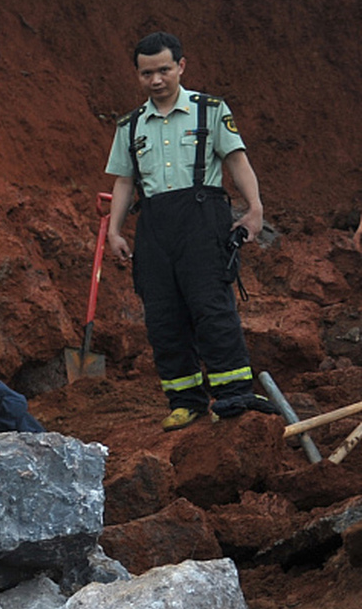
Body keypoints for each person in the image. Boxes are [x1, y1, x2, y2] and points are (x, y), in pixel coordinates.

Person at [104, 31, 274, 430]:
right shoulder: (130, 126)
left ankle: (234, 394)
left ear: (181, 66)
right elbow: (124, 182)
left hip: (202, 221)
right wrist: (115, 231)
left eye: (164, 69)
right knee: (163, 318)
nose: (156, 80)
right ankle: (185, 400)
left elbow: (236, 160)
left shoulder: (209, 111)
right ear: (138, 75)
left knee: (212, 308)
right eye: (147, 73)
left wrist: (254, 209)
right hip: (155, 228)